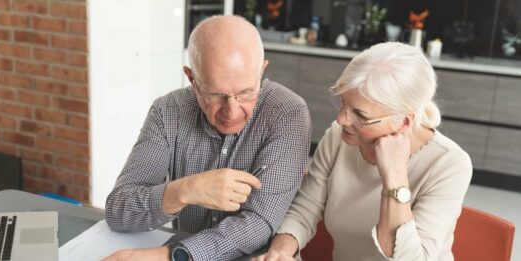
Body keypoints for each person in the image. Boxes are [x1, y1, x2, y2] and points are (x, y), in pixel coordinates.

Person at [103, 15, 311, 261]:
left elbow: (258, 223)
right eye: (215, 95)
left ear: (261, 70)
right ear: (191, 78)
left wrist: (171, 256)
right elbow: (118, 210)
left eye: (246, 93)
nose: (231, 112)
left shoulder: (288, 112)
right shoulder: (167, 111)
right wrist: (183, 191)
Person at [254, 42, 472, 261]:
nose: (341, 119)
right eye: (342, 103)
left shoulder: (449, 164)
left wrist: (395, 176)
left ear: (404, 121)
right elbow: (306, 208)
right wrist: (281, 250)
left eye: (361, 115)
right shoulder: (338, 137)